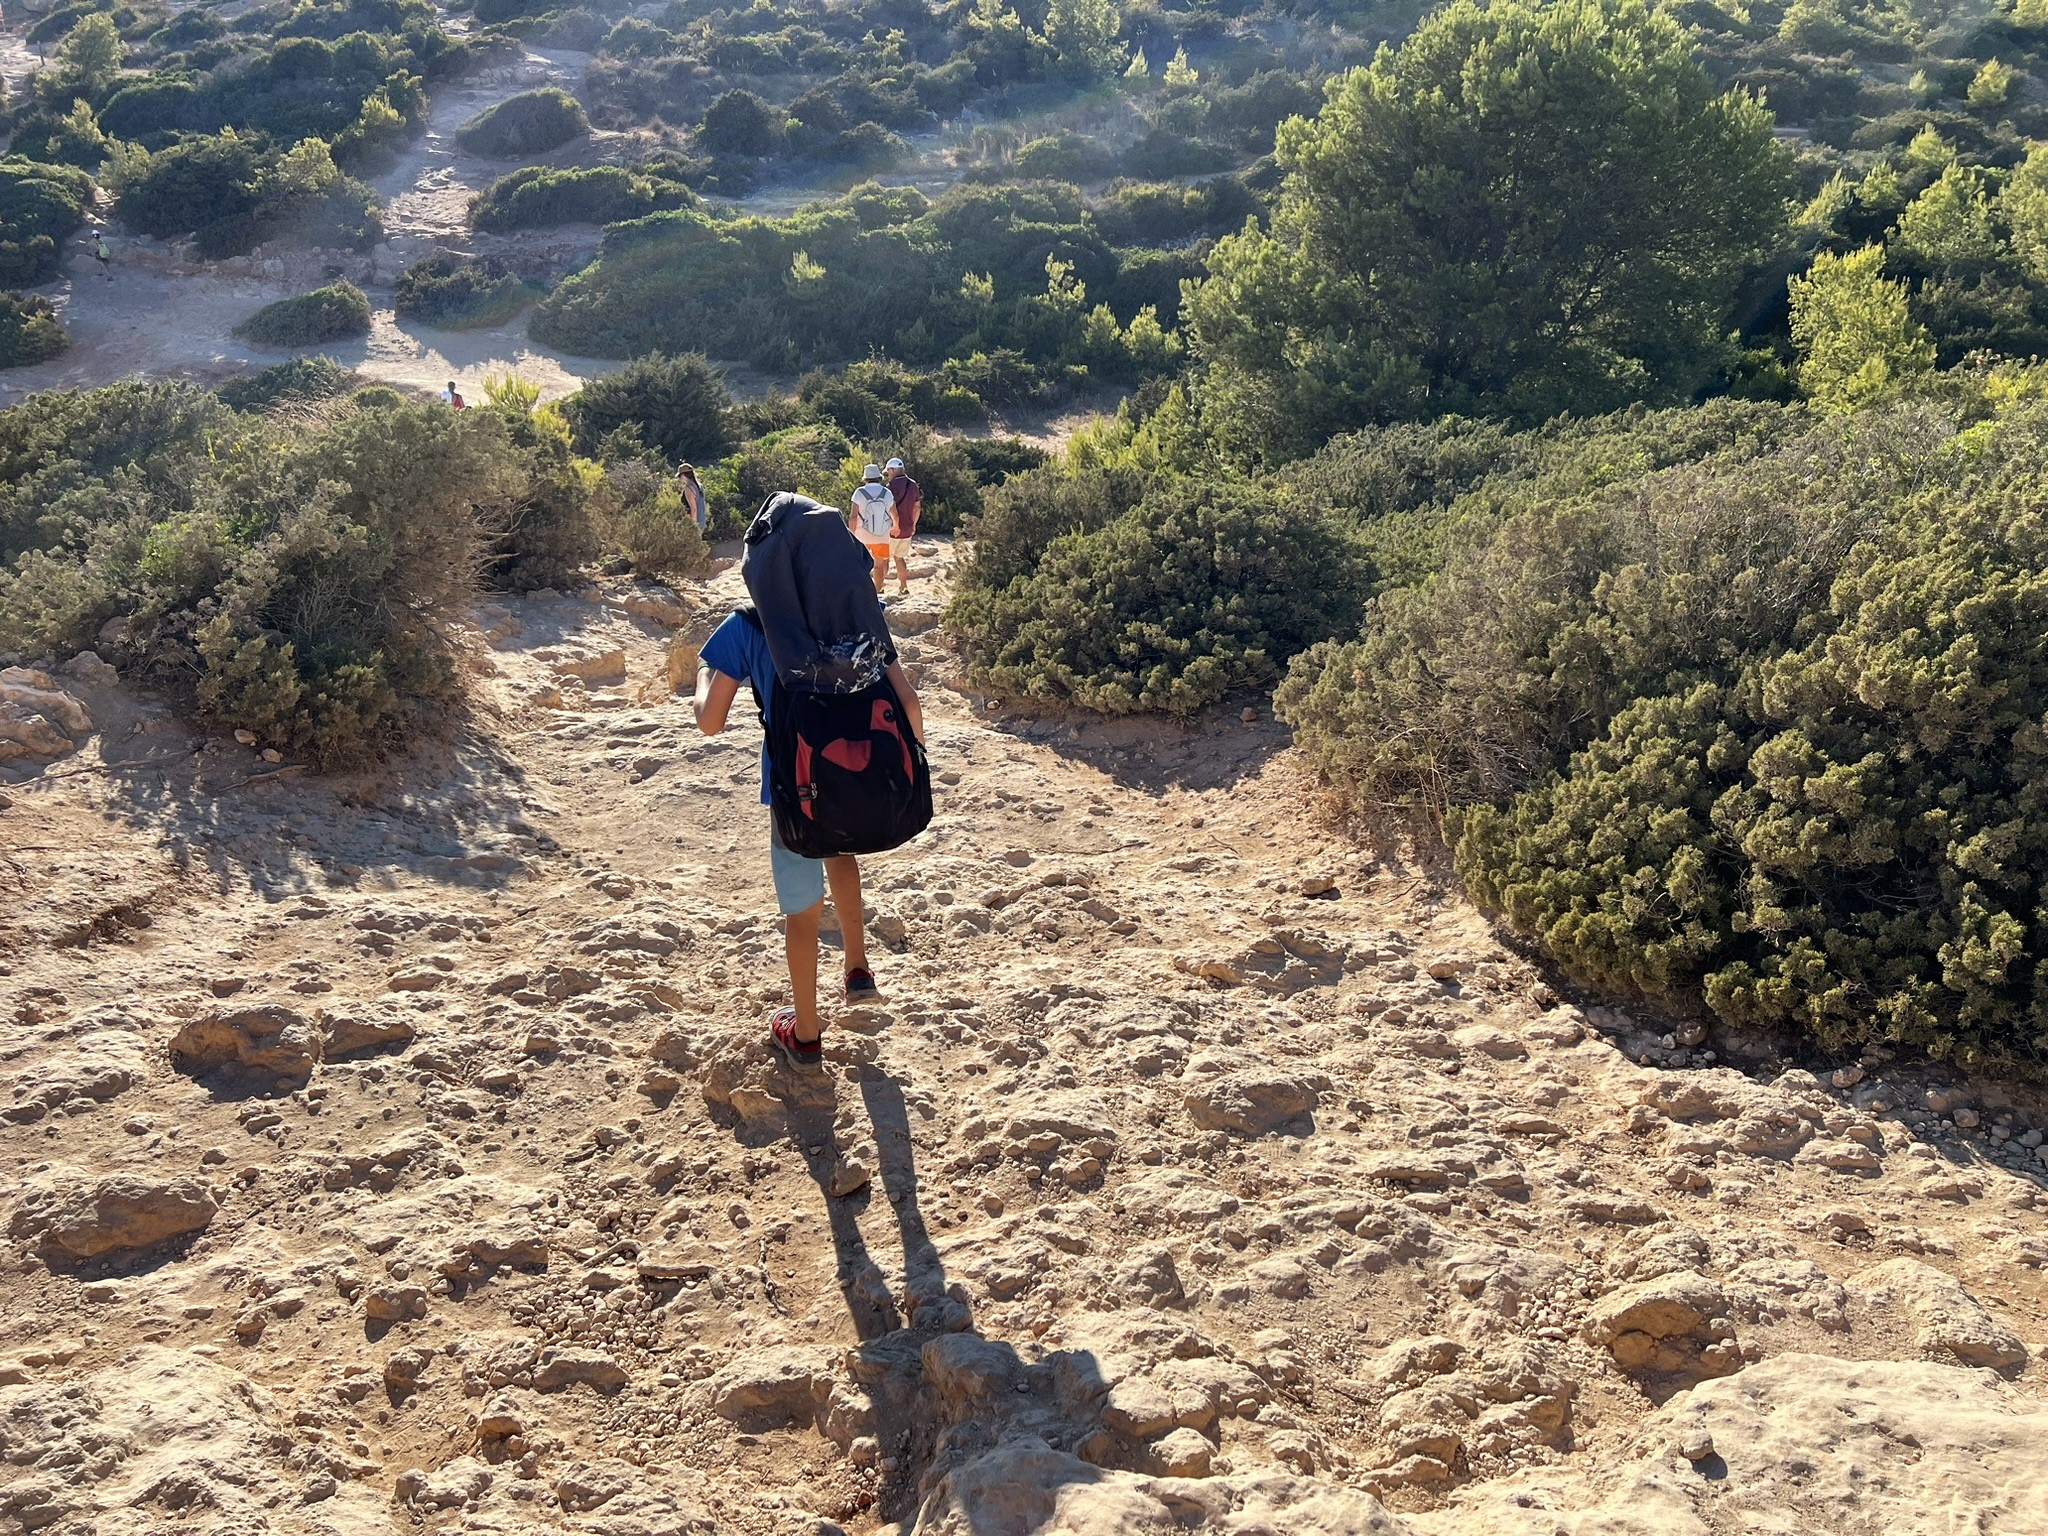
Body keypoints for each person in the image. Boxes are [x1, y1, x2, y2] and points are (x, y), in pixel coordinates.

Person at [692, 600, 926, 1070]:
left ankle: (804, 1034)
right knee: (841, 853)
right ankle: (857, 971)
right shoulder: (858, 612)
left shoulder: (749, 623)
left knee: (802, 912)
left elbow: (709, 722)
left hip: (794, 793)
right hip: (856, 779)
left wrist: (704, 672)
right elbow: (910, 703)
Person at [848, 464, 896, 596]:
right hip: (881, 534)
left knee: (861, 565)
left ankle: (863, 592)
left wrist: (851, 534)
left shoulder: (859, 493)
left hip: (862, 535)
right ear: (879, 478)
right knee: (878, 565)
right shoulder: (887, 493)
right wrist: (895, 527)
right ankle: (879, 591)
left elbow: (853, 517)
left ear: (866, 478)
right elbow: (894, 514)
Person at [883, 456, 920, 596]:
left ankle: (880, 587)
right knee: (900, 558)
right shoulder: (913, 485)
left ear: (892, 470)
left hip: (892, 529)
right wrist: (913, 525)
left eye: (888, 471)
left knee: (884, 559)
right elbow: (917, 508)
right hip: (907, 529)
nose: (888, 474)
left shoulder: (890, 487)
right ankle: (903, 587)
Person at [676, 462, 707, 533]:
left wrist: (693, 526)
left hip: (694, 522)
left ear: (683, 475)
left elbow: (694, 509)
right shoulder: (699, 485)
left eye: (679, 476)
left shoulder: (689, 488)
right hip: (702, 520)